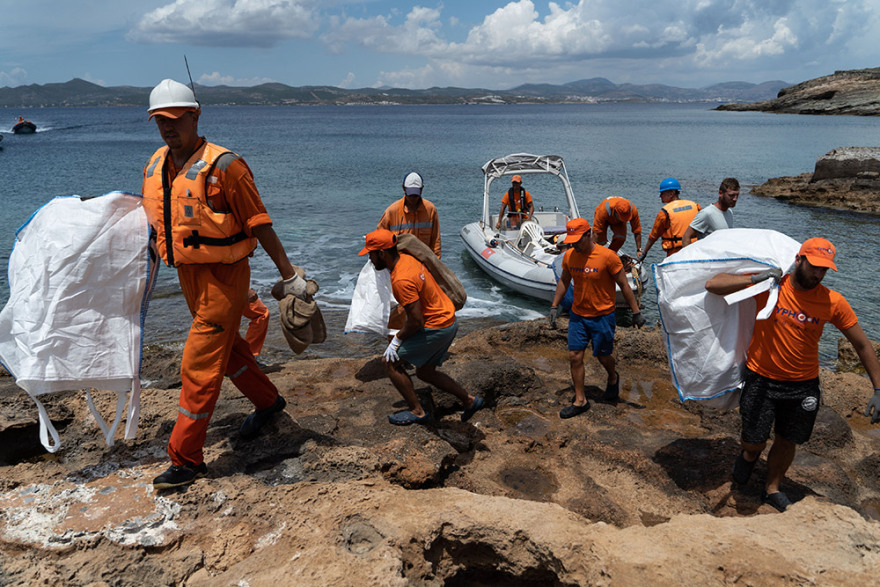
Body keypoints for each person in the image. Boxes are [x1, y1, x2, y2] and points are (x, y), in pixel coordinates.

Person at [142, 79, 299, 490]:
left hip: (225, 279)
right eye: (161, 120)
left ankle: (186, 458)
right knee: (228, 352)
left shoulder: (227, 166)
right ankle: (269, 402)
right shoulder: (158, 164)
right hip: (188, 276)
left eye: (176, 119)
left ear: (195, 115)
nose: (168, 128)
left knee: (197, 365)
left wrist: (290, 275)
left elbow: (259, 222)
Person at [705, 238, 880, 511]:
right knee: (754, 441)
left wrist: (878, 388)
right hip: (761, 377)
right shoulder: (772, 287)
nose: (819, 274)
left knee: (788, 439)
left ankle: (772, 488)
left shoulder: (832, 301)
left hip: (802, 385)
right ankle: (750, 455)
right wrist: (757, 278)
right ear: (799, 259)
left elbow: (861, 344)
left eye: (825, 270)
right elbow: (713, 286)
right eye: (815, 267)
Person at [359, 229, 483, 425]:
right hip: (449, 320)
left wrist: (397, 341)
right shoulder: (408, 259)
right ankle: (469, 401)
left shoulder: (401, 279)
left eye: (370, 254)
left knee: (390, 363)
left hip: (437, 327)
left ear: (382, 253)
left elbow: (415, 321)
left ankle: (417, 411)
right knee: (425, 372)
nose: (370, 259)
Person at [549, 218, 645, 418]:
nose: (574, 244)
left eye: (578, 240)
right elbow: (565, 282)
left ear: (589, 234)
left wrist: (636, 312)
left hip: (602, 315)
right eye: (572, 241)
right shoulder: (569, 256)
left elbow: (625, 286)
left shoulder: (608, 257)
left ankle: (612, 377)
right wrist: (554, 306)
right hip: (578, 315)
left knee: (602, 356)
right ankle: (580, 400)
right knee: (575, 356)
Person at [377, 172, 441, 258]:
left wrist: (436, 264)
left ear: (422, 189)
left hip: (423, 264)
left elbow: (435, 242)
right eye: (410, 195)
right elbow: (379, 239)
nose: (413, 198)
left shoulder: (430, 210)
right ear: (403, 188)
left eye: (416, 195)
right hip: (399, 264)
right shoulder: (392, 212)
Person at [638, 177, 701, 262]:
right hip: (695, 250)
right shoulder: (695, 206)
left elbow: (653, 236)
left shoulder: (665, 212)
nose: (660, 196)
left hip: (675, 254)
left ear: (671, 193)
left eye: (662, 193)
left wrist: (644, 252)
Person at [681, 178, 739, 246]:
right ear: (720, 193)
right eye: (731, 195)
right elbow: (686, 237)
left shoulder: (729, 212)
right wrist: (689, 256)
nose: (735, 199)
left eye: (737, 195)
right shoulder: (707, 213)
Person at [243, 288, 270, 357]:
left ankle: (249, 355)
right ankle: (249, 356)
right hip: (230, 286)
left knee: (261, 315)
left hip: (235, 285)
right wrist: (245, 290)